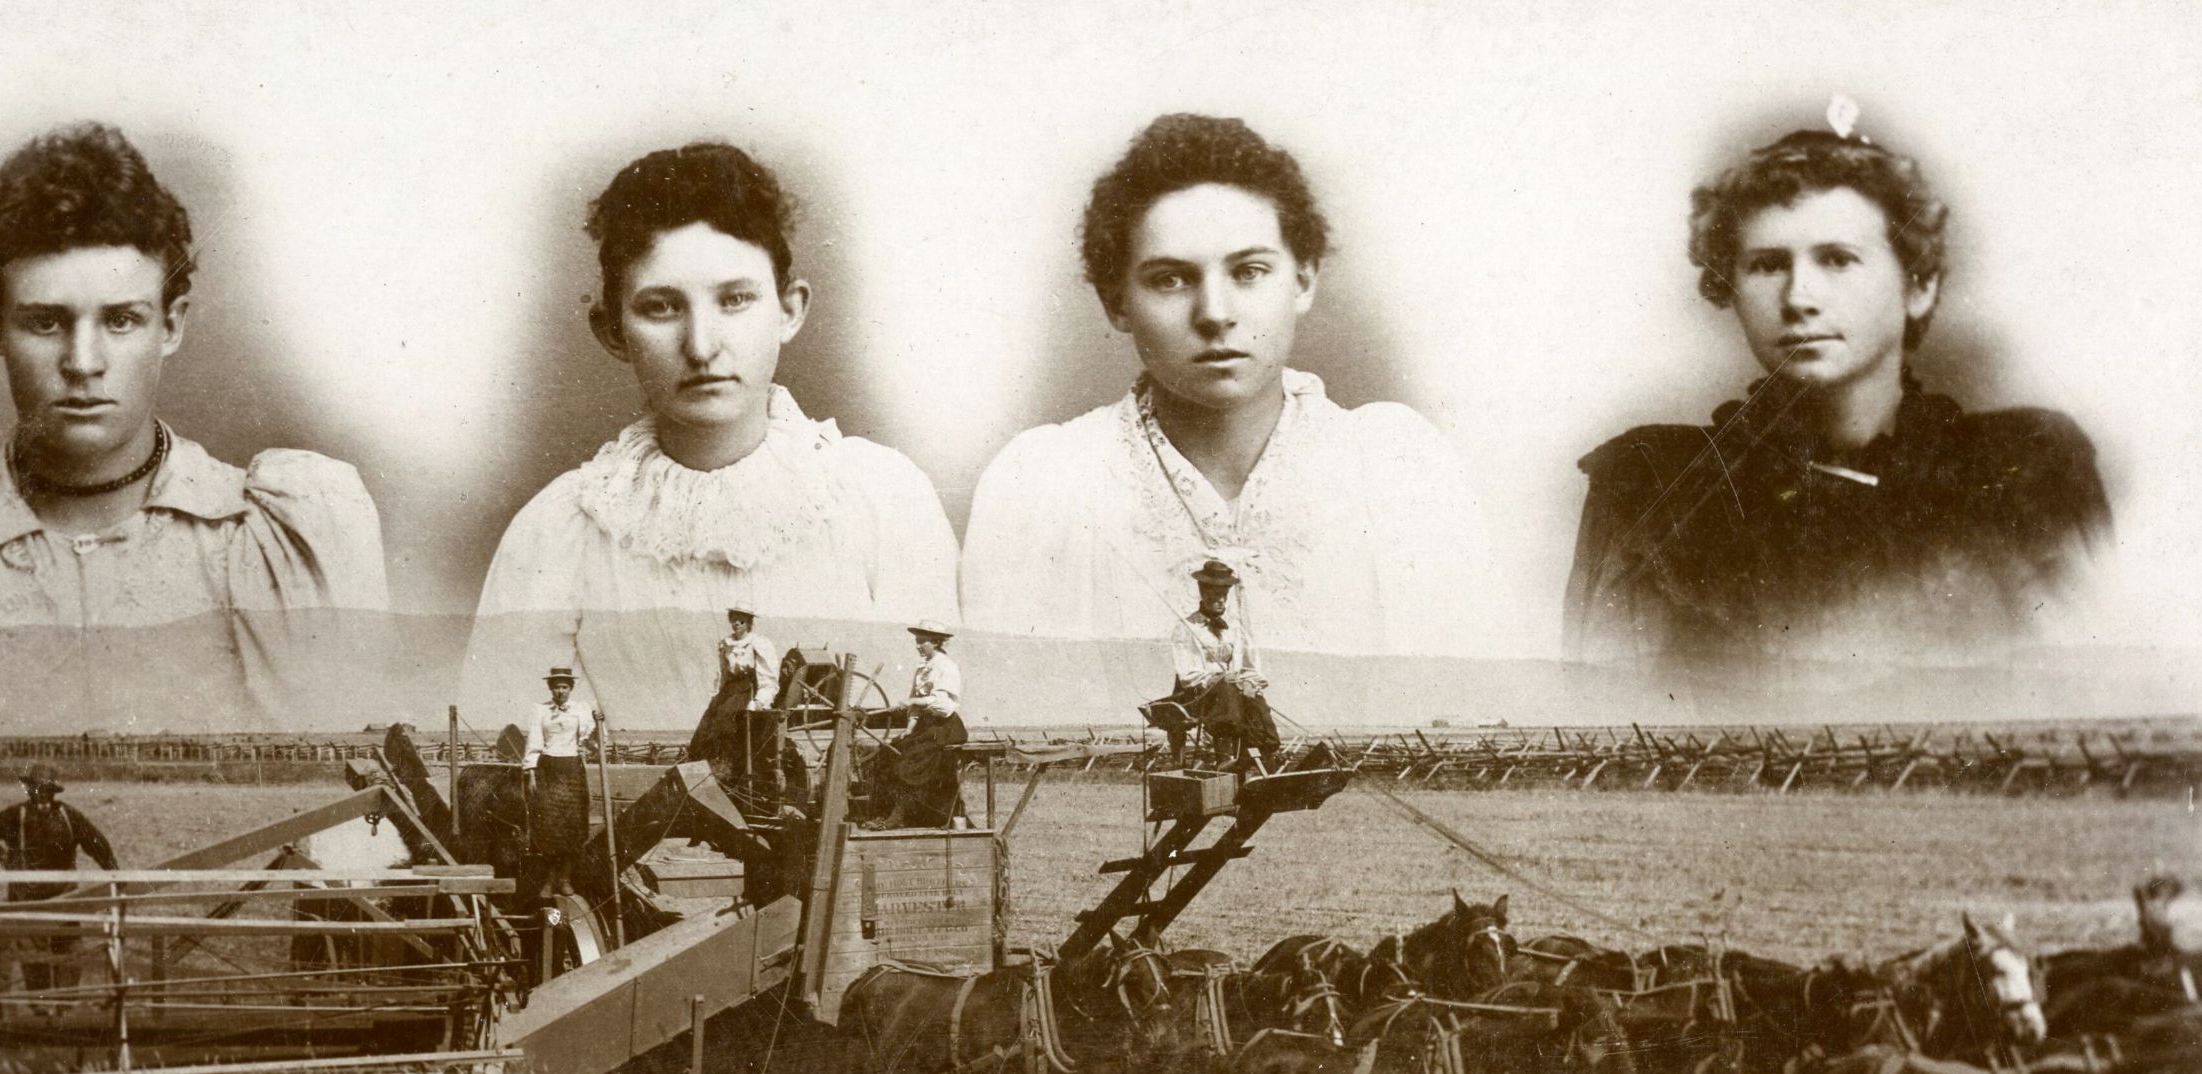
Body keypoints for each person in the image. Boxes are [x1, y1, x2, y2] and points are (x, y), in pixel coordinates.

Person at [0, 123, 389, 735]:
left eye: (120, 320)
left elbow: (342, 805)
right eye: (45, 323)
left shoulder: (270, 538)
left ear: (170, 326)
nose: (83, 364)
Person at [1562, 100, 2114, 677]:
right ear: (1730, 286)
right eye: (1768, 265)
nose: (1800, 298)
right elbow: (1603, 704)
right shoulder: (1653, 480)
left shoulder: (2027, 467)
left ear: (1919, 287)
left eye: (1838, 259)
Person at [961, 113, 1511, 659]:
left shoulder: (1398, 468)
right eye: (1169, 279)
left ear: (1303, 279)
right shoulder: (1041, 483)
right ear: (1116, 302)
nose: (1215, 313)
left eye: (1248, 271)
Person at [465, 142, 958, 730]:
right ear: (613, 330)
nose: (701, 346)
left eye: (735, 299)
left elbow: (928, 735)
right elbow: (517, 760)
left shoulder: (886, 498)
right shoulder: (553, 534)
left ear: (789, 309)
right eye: (661, 307)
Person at [0, 762, 117, 992]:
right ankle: (41, 1008)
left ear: (53, 794)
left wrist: (113, 871)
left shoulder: (69, 816)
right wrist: (0, 854)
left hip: (65, 895)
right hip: (28, 896)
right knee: (32, 953)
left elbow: (95, 842)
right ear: (29, 792)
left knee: (70, 951)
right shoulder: (16, 816)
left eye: (46, 794)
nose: (42, 801)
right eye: (36, 793)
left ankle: (65, 1006)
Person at [1151, 559, 1279, 771]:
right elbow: (1187, 673)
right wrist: (1216, 678)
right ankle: (1223, 759)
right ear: (1202, 593)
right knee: (1227, 690)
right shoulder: (1188, 628)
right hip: (1197, 695)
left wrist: (1249, 683)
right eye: (1214, 596)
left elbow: (1248, 665)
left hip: (1230, 693)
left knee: (1255, 700)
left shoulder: (1234, 629)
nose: (1220, 601)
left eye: (1224, 596)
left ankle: (1263, 756)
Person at [870, 619, 967, 828]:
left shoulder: (946, 667)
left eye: (922, 641)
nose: (917, 645)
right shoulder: (923, 668)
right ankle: (885, 813)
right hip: (926, 727)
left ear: (936, 642)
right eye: (917, 640)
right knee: (888, 752)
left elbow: (943, 706)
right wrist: (908, 729)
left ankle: (899, 817)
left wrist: (913, 701)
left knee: (909, 761)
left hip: (946, 727)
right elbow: (915, 707)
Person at [523, 667, 602, 901]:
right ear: (550, 688)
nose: (560, 691)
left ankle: (565, 878)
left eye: (565, 686)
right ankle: (548, 879)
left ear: (571, 688)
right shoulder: (540, 710)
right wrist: (531, 773)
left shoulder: (582, 709)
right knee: (548, 825)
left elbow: (592, 743)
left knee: (572, 825)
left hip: (572, 770)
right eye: (556, 686)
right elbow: (534, 740)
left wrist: (599, 725)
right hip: (548, 768)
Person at [686, 607, 782, 798]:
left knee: (730, 732)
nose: (737, 623)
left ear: (749, 622)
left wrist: (759, 701)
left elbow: (769, 678)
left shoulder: (759, 643)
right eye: (734, 619)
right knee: (703, 735)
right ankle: (702, 782)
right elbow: (723, 673)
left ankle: (731, 782)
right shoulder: (725, 643)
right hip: (728, 692)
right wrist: (716, 696)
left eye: (742, 620)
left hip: (748, 691)